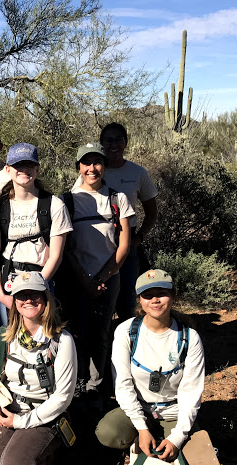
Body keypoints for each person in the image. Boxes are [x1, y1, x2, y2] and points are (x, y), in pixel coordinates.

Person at [0, 271, 76, 465]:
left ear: (46, 298)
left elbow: (63, 397)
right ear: (14, 302)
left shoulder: (62, 340)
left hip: (45, 416)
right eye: (22, 295)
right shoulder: (3, 336)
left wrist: (21, 422)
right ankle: (24, 459)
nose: (29, 300)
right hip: (10, 412)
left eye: (35, 294)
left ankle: (48, 463)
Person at [95, 269, 205, 462]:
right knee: (108, 432)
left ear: (173, 295)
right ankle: (142, 438)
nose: (155, 300)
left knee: (188, 458)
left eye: (161, 293)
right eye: (147, 295)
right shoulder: (126, 331)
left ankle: (157, 441)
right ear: (139, 299)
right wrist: (142, 427)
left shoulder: (189, 337)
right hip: (139, 408)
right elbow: (123, 384)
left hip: (174, 412)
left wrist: (177, 438)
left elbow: (191, 391)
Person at [57, 142, 133, 413]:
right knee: (76, 333)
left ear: (104, 165)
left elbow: (124, 243)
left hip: (108, 278)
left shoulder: (117, 198)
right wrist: (85, 280)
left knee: (101, 333)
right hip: (76, 280)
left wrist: (102, 275)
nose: (92, 168)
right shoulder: (66, 201)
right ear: (78, 166)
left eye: (97, 162)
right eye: (86, 163)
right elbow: (63, 247)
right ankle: (75, 386)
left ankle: (96, 387)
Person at [75, 123, 158, 321]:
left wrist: (139, 237)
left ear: (126, 142)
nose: (114, 144)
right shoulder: (91, 170)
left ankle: (126, 345)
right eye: (108, 140)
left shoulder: (137, 173)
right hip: (95, 243)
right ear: (102, 144)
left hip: (126, 242)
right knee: (95, 300)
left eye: (118, 139)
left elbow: (151, 212)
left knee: (126, 301)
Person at [0, 143, 72, 326]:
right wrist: (0, 295)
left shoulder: (54, 205)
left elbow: (56, 256)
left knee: (44, 336)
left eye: (29, 165)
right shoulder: (0, 209)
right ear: (8, 170)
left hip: (42, 284)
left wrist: (36, 288)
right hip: (8, 284)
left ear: (37, 169)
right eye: (18, 165)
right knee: (10, 340)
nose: (24, 170)